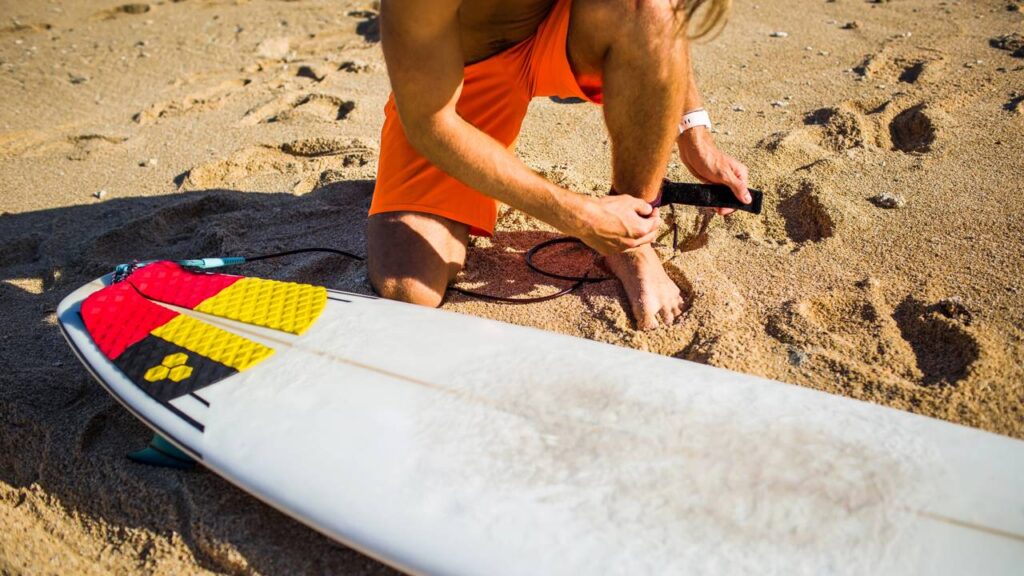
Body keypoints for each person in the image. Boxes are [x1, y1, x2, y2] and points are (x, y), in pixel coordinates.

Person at [367, 0, 750, 330]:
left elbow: (660, 15)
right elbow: (430, 123)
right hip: (462, 78)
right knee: (410, 289)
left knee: (644, 7)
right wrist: (579, 215)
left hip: (561, 34)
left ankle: (632, 238)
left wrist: (694, 132)